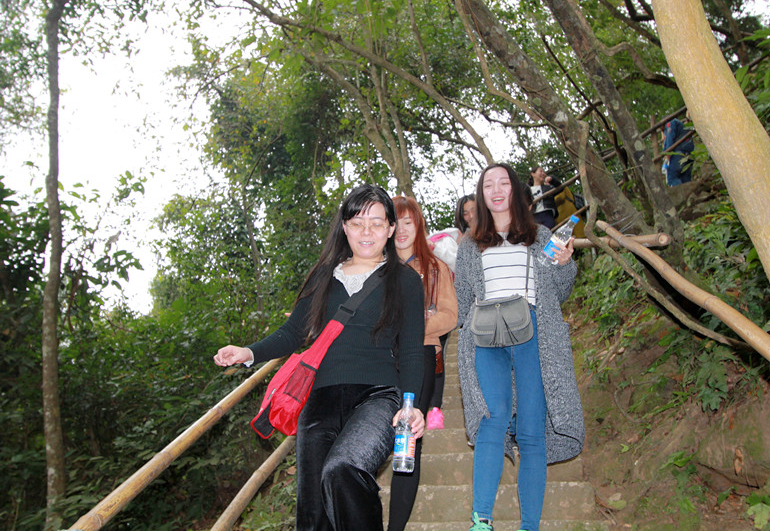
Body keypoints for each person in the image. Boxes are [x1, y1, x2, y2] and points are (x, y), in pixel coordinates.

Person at [213, 184, 426, 531]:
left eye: (376, 223)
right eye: (357, 223)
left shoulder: (405, 280)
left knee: (344, 468)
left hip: (378, 397)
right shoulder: (324, 275)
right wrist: (249, 352)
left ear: (390, 229)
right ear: (344, 227)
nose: (367, 231)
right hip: (321, 398)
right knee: (313, 513)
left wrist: (410, 404)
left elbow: (414, 350)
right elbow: (293, 332)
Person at [455, 163, 585, 531]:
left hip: (535, 336)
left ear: (515, 190)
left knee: (531, 429)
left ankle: (530, 525)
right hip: (487, 337)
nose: (496, 190)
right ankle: (481, 520)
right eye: (488, 185)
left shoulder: (540, 235)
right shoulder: (469, 246)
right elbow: (464, 302)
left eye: (503, 183)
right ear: (481, 195)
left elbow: (558, 293)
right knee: (492, 417)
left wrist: (565, 265)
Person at [388, 195, 457, 531]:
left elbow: (450, 316)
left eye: (409, 222)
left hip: (422, 353)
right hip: (379, 359)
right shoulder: (376, 267)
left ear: (419, 225)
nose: (402, 230)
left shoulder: (434, 267)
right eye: (396, 222)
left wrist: (411, 326)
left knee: (407, 441)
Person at [662, 118, 695, 187]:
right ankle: (690, 193)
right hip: (688, 154)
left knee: (672, 178)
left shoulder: (670, 123)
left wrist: (668, 154)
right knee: (685, 179)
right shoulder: (681, 127)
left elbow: (669, 139)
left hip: (679, 154)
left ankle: (681, 193)